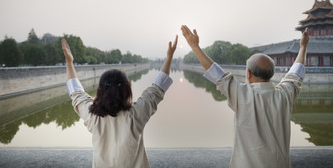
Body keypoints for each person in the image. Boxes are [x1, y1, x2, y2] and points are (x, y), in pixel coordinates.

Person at [181, 25, 309, 168]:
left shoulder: (241, 94)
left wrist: (195, 46)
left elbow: (216, 74)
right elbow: (296, 72)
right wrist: (303, 47)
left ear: (248, 74)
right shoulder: (285, 94)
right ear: (271, 74)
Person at [62, 35, 178, 168]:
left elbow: (76, 93)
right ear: (127, 90)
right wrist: (169, 57)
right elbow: (157, 88)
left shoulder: (92, 116)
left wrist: (69, 63)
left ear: (100, 90)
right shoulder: (136, 114)